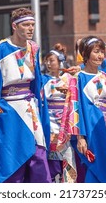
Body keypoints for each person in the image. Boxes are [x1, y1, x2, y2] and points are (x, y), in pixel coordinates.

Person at [0, 7, 51, 183]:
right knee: (13, 160)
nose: (31, 28)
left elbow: (37, 83)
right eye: (26, 25)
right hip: (9, 108)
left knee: (38, 155)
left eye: (32, 25)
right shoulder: (0, 49)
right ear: (14, 26)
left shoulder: (34, 48)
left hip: (30, 108)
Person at [74, 36, 106, 183]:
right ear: (85, 53)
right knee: (96, 164)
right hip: (91, 126)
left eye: (102, 52)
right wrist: (80, 136)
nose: (100, 56)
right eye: (96, 51)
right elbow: (76, 108)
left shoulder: (105, 76)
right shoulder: (78, 78)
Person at [42, 43, 81, 182]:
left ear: (60, 61)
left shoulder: (70, 79)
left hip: (66, 123)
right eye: (47, 60)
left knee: (67, 156)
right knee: (52, 159)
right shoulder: (43, 79)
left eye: (51, 60)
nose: (48, 63)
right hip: (51, 122)